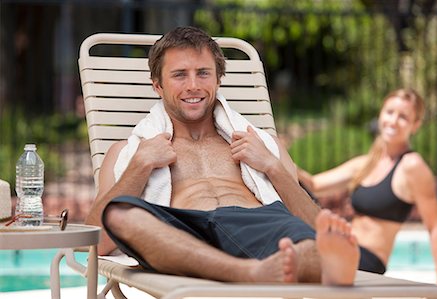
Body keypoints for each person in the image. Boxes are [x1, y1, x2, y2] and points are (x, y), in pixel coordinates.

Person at [85, 26, 360, 286]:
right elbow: (97, 242)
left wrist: (272, 166)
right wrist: (139, 166)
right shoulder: (128, 151)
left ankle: (316, 265)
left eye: (203, 73)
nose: (193, 85)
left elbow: (315, 223)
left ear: (218, 79)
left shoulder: (263, 144)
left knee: (315, 245)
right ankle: (251, 273)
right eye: (179, 75)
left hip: (257, 224)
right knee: (121, 215)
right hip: (182, 231)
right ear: (157, 85)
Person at [296, 88, 437, 286]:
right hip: (342, 247)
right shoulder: (367, 164)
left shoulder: (412, 166)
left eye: (403, 117)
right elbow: (314, 184)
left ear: (415, 125)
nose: (393, 121)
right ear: (381, 114)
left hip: (366, 259)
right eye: (389, 112)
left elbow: (435, 226)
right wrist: (275, 154)